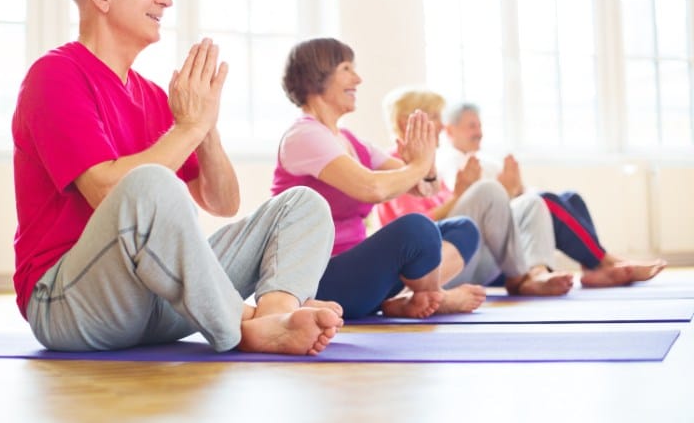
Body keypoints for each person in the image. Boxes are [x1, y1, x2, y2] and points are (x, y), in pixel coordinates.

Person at [11, 0, 344, 357]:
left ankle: (273, 317)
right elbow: (108, 191)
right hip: (69, 303)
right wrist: (188, 126)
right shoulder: (55, 75)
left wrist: (206, 126)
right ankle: (241, 324)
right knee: (150, 184)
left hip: (156, 299)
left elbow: (222, 201)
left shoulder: (153, 96)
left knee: (302, 204)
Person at [271, 38, 486, 320]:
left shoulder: (350, 141)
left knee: (463, 228)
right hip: (316, 281)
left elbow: (424, 188)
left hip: (360, 275)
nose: (357, 79)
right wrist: (419, 165)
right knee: (417, 230)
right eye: (347, 69)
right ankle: (435, 295)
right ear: (316, 77)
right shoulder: (304, 136)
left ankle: (409, 298)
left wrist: (426, 162)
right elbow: (371, 188)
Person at [436, 102, 667, 287]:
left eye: (479, 126)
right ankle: (603, 261)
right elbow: (478, 207)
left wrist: (517, 189)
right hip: (487, 247)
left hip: (507, 221)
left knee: (570, 198)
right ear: (450, 130)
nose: (478, 132)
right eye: (471, 126)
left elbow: (517, 195)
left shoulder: (487, 161)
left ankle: (592, 268)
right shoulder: (447, 162)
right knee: (546, 200)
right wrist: (511, 193)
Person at [377, 87, 573, 296]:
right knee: (488, 190)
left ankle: (536, 271)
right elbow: (415, 227)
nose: (443, 126)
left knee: (530, 203)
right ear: (405, 123)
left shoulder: (429, 166)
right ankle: (521, 277)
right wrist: (462, 196)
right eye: (434, 117)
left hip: (465, 257)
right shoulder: (396, 164)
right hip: (432, 268)